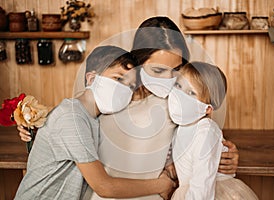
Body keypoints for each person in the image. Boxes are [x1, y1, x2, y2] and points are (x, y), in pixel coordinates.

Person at [19, 17, 239, 199]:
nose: (169, 79)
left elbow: (200, 134)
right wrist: (37, 126)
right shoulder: (113, 95)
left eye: (177, 70)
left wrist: (226, 154)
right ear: (140, 62)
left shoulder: (177, 100)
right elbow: (75, 120)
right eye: (159, 71)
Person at [15, 45, 176, 200]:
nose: (124, 89)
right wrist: (160, 185)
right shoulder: (71, 118)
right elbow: (104, 186)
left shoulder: (95, 119)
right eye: (118, 78)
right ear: (92, 78)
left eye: (130, 85)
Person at [168, 61, 258, 199]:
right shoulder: (180, 128)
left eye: (191, 92)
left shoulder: (206, 131)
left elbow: (203, 183)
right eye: (178, 86)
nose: (180, 95)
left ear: (208, 108)